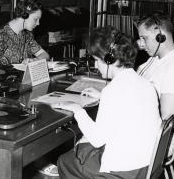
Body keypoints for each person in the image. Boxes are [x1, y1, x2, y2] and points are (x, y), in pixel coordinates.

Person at [51, 26, 162, 179]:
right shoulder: (145, 84)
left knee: (65, 161)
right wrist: (102, 96)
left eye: (97, 60)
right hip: (147, 165)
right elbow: (128, 104)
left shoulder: (114, 90)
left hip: (123, 172)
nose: (96, 66)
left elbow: (97, 139)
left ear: (110, 59)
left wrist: (78, 110)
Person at [136, 13, 174, 155]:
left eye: (144, 38)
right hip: (142, 129)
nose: (140, 44)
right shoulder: (157, 58)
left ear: (160, 36)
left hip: (156, 146)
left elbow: (164, 124)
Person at [0, 0, 50, 65]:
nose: (38, 23)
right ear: (25, 15)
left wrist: (35, 60)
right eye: (36, 19)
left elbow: (45, 55)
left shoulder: (27, 36)